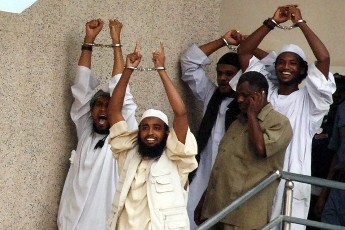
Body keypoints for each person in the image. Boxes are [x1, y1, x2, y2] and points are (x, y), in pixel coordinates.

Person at [237, 5, 336, 229]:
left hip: (292, 178)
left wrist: (301, 23)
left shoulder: (310, 101)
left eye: (292, 63)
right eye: (281, 62)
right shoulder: (264, 93)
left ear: (302, 70)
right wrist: (271, 22)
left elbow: (323, 59)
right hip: (257, 173)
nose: (285, 67)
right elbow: (244, 52)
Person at [106, 43, 198, 230]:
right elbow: (114, 110)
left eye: (157, 128)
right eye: (145, 128)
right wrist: (128, 70)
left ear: (166, 133)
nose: (150, 133)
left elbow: (180, 113)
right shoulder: (128, 153)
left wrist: (161, 70)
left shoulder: (176, 158)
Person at [57, 19, 137, 230]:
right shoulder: (85, 130)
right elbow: (81, 88)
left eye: (108, 106)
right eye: (98, 105)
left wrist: (116, 42)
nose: (103, 110)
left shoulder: (123, 136)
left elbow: (121, 90)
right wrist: (88, 41)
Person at [197, 71, 292, 229]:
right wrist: (204, 202)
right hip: (216, 210)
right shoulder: (238, 122)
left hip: (244, 216)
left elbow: (261, 149)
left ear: (261, 95)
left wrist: (253, 115)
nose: (240, 99)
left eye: (246, 95)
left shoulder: (279, 123)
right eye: (238, 94)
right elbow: (222, 166)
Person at [180, 30, 243, 229]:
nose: (223, 79)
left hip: (232, 180)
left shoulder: (249, 106)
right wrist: (223, 41)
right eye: (220, 73)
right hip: (202, 175)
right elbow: (188, 63)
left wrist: (248, 45)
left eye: (229, 74)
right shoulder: (211, 95)